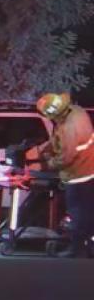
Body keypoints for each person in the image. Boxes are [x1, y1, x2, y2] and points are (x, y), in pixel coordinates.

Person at [34, 93, 94, 258]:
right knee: (88, 211)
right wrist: (49, 147)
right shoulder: (76, 111)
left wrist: (47, 164)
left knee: (78, 212)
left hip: (77, 173)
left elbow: (66, 157)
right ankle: (89, 245)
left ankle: (77, 248)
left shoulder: (70, 128)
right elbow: (60, 137)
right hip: (89, 168)